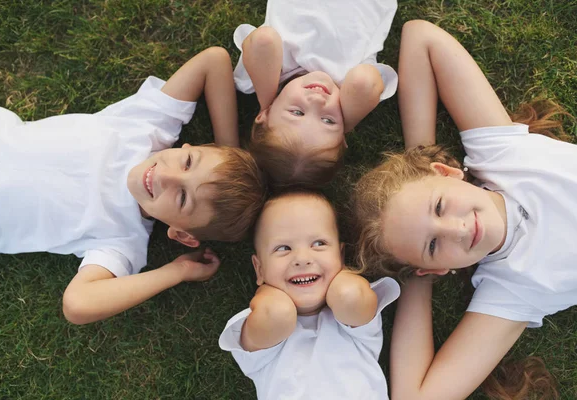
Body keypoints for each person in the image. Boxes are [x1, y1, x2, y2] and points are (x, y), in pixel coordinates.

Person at [352, 20, 575, 400]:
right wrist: (419, 279)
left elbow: (421, 36)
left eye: (439, 204)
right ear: (437, 270)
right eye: (434, 245)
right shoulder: (512, 291)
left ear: (448, 173)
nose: (456, 229)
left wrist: (420, 154)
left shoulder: (501, 154)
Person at [0, 47, 267, 325]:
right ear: (193, 146)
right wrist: (225, 151)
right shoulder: (146, 127)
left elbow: (78, 304)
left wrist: (176, 270)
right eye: (189, 162)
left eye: (182, 198)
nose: (167, 177)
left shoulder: (122, 240)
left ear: (181, 234)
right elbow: (213, 61)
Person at [220, 190, 400, 400]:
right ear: (259, 269)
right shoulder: (264, 337)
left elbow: (351, 295)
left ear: (340, 256)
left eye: (318, 244)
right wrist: (267, 291)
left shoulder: (355, 325)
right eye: (283, 248)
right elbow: (274, 314)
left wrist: (337, 273)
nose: (302, 259)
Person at [233, 0, 399, 188]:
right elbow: (365, 83)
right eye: (328, 121)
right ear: (342, 137)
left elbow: (262, 40)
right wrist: (347, 121)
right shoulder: (349, 82)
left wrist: (267, 102)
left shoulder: (268, 73)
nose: (317, 101)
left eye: (297, 112)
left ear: (265, 116)